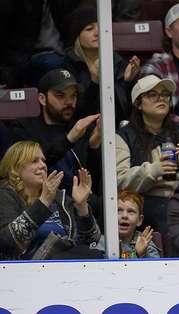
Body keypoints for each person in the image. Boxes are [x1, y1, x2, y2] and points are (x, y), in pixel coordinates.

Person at [8, 69, 103, 198]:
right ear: (42, 99)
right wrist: (69, 140)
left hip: (83, 204)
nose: (69, 102)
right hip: (44, 203)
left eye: (73, 95)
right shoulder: (25, 128)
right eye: (60, 96)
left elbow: (95, 180)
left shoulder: (84, 129)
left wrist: (94, 147)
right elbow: (26, 168)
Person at [0, 140, 101, 260]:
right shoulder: (5, 196)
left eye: (43, 161)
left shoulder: (59, 198)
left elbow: (91, 242)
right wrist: (43, 202)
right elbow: (7, 243)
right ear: (15, 168)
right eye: (34, 161)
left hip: (66, 267)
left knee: (96, 254)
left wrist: (82, 207)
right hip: (25, 272)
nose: (43, 165)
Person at [116, 75, 179, 234]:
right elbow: (119, 181)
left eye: (165, 95)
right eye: (152, 94)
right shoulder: (124, 136)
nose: (161, 99)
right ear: (138, 103)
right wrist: (153, 170)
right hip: (145, 206)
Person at [62, 4, 139, 123]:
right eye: (89, 29)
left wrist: (127, 82)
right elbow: (76, 112)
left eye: (100, 27)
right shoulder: (68, 65)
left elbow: (125, 112)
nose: (97, 33)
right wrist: (94, 82)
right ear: (77, 36)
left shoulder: (117, 62)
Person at [118, 190, 161, 259]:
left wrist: (137, 253)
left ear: (139, 220)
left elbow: (157, 267)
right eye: (119, 210)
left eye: (130, 211)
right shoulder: (103, 242)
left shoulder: (144, 242)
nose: (124, 216)